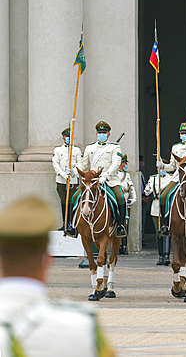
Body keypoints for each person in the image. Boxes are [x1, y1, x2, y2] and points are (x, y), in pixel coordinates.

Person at [0, 196, 115, 357]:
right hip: (85, 181)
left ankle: (120, 224)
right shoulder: (83, 326)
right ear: (47, 261)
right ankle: (72, 225)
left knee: (118, 199)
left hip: (106, 179)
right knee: (76, 199)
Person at [66, 121, 126, 238]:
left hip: (110, 180)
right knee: (74, 197)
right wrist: (73, 171)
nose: (101, 134)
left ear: (108, 134)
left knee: (120, 197)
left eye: (104, 132)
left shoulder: (115, 147)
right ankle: (72, 226)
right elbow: (83, 164)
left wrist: (106, 176)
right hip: (92, 180)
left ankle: (120, 226)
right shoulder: (90, 147)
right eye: (99, 132)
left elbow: (115, 164)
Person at [52, 127, 84, 235]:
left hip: (73, 180)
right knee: (64, 201)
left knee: (72, 201)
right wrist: (63, 174)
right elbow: (55, 163)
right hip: (62, 180)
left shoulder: (76, 150)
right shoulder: (58, 150)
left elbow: (80, 163)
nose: (68, 138)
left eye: (70, 137)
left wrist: (74, 171)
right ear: (63, 137)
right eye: (66, 136)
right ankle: (64, 223)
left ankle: (72, 223)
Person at [144, 164, 171, 265]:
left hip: (167, 206)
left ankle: (167, 255)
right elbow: (147, 192)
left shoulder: (170, 178)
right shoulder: (153, 178)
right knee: (158, 232)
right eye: (159, 168)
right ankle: (161, 256)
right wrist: (147, 189)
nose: (161, 170)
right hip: (156, 206)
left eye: (163, 168)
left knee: (167, 230)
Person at [117, 154, 137, 254]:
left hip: (126, 202)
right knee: (117, 223)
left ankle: (124, 246)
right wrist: (125, 185)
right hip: (117, 202)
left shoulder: (127, 175)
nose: (125, 165)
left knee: (125, 224)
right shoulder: (115, 174)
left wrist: (134, 198)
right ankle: (118, 246)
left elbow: (131, 187)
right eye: (124, 163)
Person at [140, 155, 149, 246]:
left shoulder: (143, 172)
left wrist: (147, 196)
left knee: (143, 219)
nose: (143, 163)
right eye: (142, 161)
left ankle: (142, 239)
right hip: (138, 197)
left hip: (144, 196)